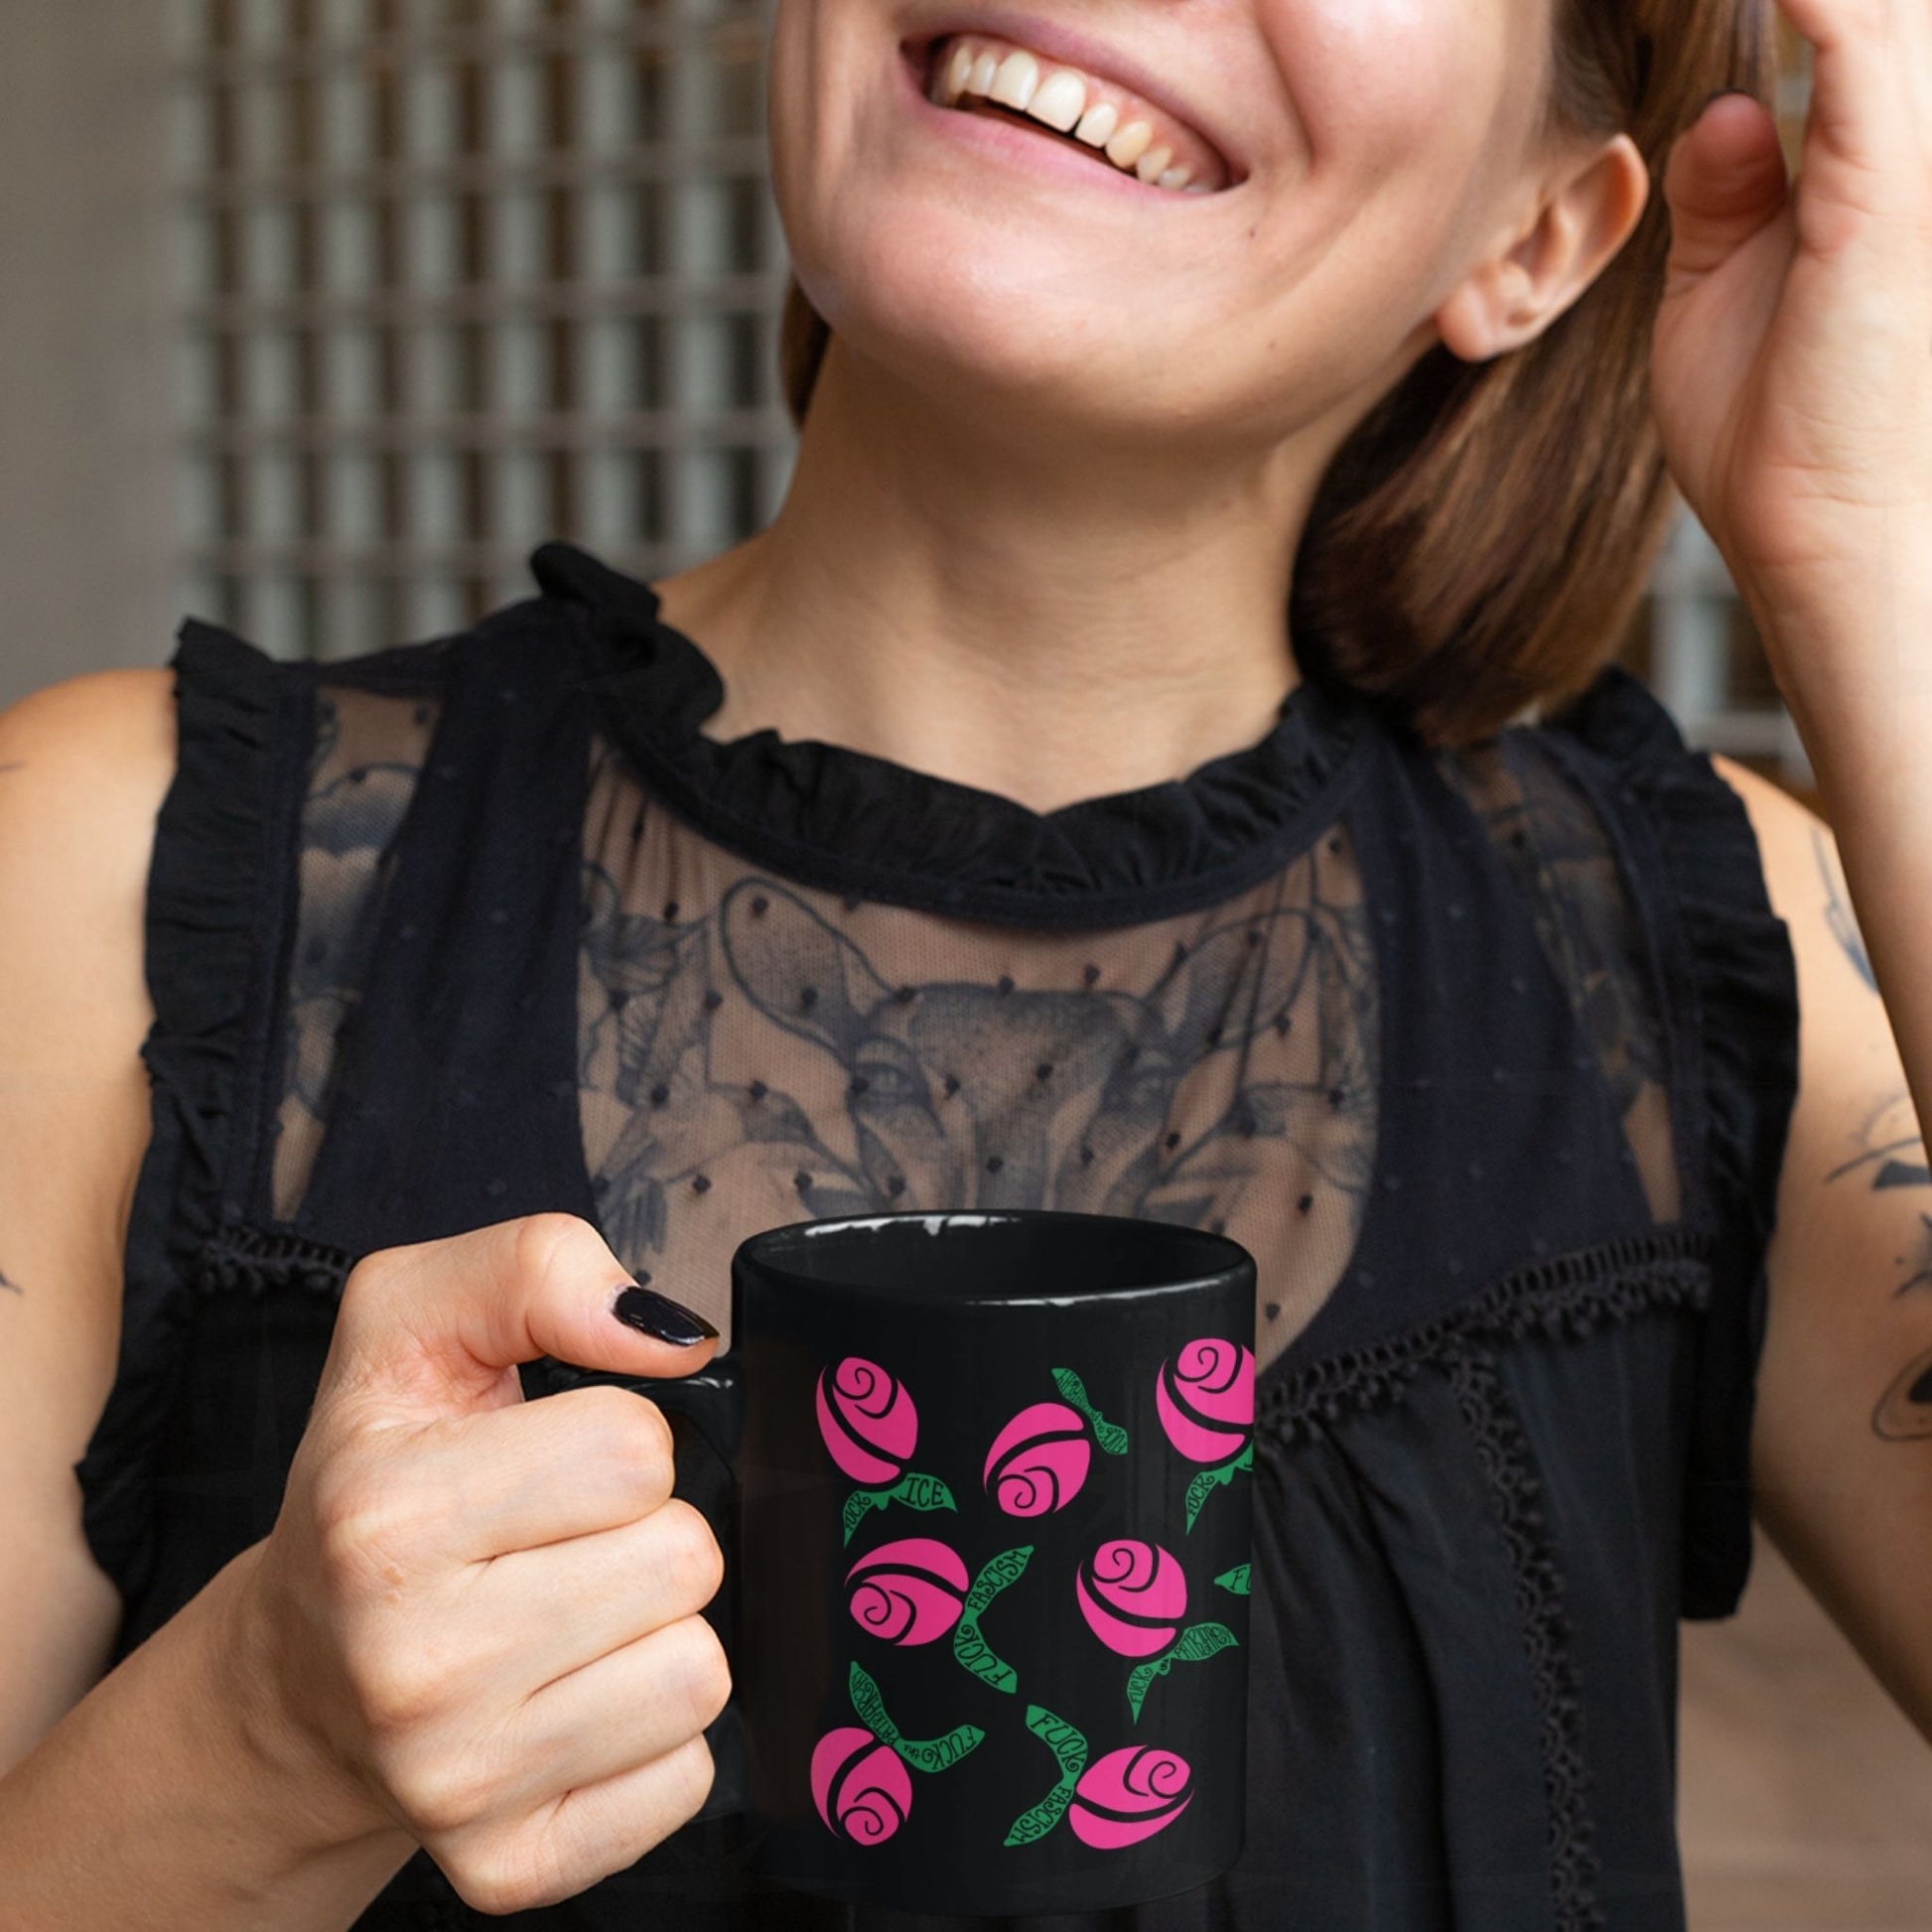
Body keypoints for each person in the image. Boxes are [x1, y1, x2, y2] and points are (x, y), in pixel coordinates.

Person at [2, 0, 1928, 1923]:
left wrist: (1864, 557)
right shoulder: (100, 869)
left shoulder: (1705, 953)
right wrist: (260, 1739)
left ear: (1533, 242)